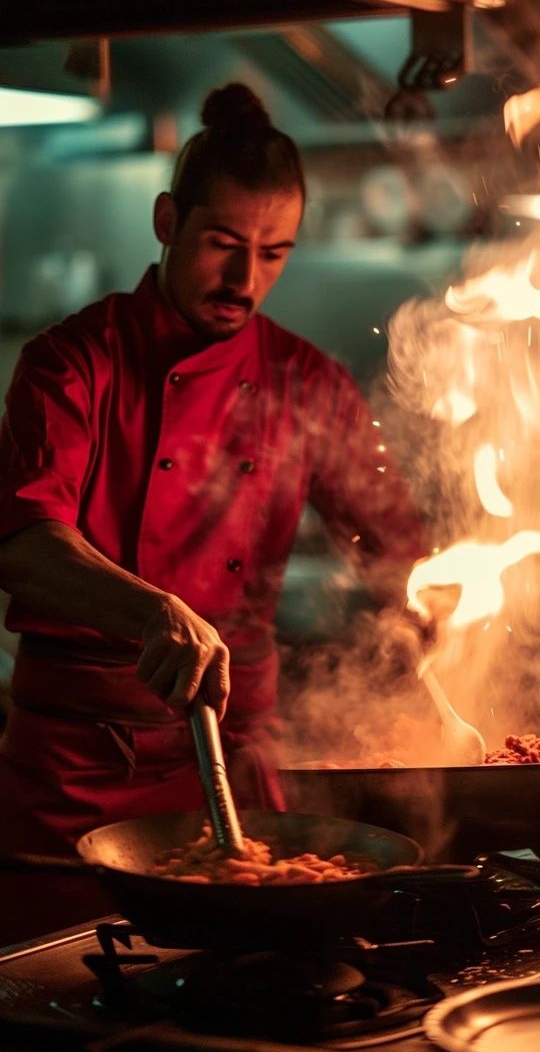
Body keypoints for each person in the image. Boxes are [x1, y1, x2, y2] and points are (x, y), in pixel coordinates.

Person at [0, 83, 427, 941]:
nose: (245, 279)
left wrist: (426, 605)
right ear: (167, 219)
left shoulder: (308, 381)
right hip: (80, 770)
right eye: (223, 243)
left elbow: (394, 553)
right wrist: (155, 610)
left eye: (274, 253)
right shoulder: (73, 362)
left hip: (233, 771)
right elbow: (21, 542)